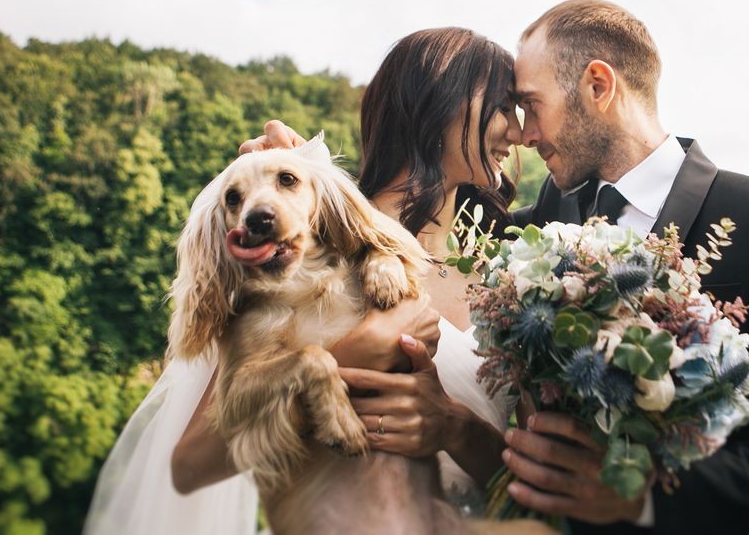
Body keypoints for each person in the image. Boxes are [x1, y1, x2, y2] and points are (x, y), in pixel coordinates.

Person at [87, 27, 524, 532]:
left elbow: (527, 483)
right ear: (441, 103)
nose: (517, 132)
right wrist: (346, 361)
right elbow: (192, 462)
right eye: (502, 107)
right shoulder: (312, 250)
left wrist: (457, 429)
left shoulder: (502, 279)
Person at [501, 0, 749, 533]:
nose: (526, 134)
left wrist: (642, 500)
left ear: (598, 85)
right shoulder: (530, 227)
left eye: (532, 104)